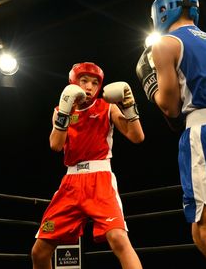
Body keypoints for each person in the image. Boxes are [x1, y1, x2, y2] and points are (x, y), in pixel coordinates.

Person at [136, 0, 206, 268]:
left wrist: (151, 88)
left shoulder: (166, 44)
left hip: (204, 136)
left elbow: (170, 108)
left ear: (161, 13)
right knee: (200, 232)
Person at [31, 62, 144, 269]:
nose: (89, 87)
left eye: (94, 82)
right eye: (84, 81)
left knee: (119, 238)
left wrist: (129, 105)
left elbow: (137, 136)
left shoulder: (107, 108)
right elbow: (55, 145)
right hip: (71, 184)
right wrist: (65, 112)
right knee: (39, 251)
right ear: (74, 82)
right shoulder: (60, 110)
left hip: (100, 180)